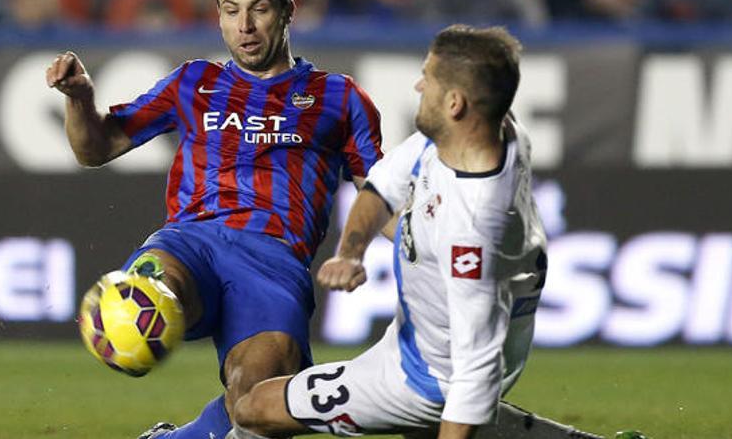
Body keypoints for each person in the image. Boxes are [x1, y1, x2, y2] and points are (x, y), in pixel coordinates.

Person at [44, 0, 383, 438]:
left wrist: (411, 243)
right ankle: (144, 298)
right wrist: (80, 98)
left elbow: (382, 194)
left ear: (289, 9)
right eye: (231, 11)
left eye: (259, 8)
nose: (244, 25)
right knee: (148, 292)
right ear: (219, 16)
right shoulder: (193, 82)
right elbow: (96, 148)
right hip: (190, 244)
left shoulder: (340, 97)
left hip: (273, 265)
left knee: (257, 407)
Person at [227, 24, 629, 439]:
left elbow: (474, 374)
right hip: (420, 335)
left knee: (255, 408)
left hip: (427, 376)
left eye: (429, 78)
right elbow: (380, 187)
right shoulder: (483, 132)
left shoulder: (471, 234)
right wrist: (350, 252)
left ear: (455, 103)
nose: (419, 85)